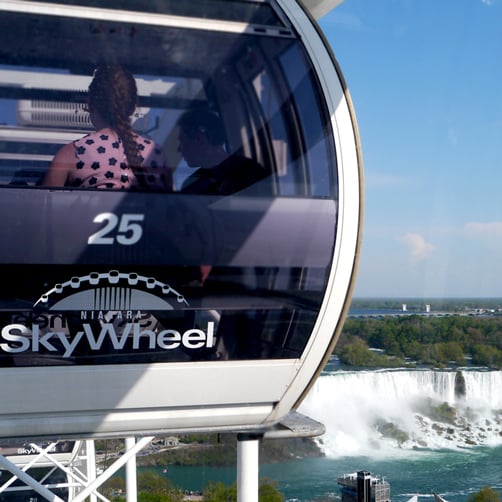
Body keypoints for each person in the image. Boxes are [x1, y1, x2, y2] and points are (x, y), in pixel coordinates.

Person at [42, 64, 172, 191]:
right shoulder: (157, 153)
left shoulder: (73, 153)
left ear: (90, 104)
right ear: (133, 107)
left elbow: (44, 206)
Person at [177, 109, 269, 195]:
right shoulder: (251, 169)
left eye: (182, 140)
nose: (179, 149)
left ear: (199, 139)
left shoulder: (250, 172)